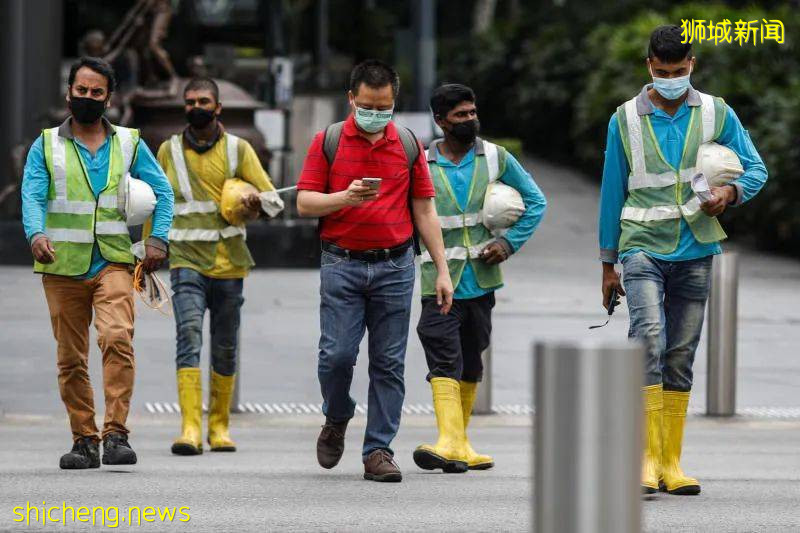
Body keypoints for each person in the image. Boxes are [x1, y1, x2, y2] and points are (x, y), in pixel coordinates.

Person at [598, 26, 767, 495]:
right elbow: (613, 192)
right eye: (660, 71)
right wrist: (607, 264)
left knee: (680, 356)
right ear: (648, 66)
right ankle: (644, 460)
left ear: (691, 65)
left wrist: (729, 193)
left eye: (678, 71)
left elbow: (756, 169)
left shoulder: (717, 112)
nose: (669, 79)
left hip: (696, 248)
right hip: (641, 246)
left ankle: (670, 464)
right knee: (648, 339)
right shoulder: (624, 119)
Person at [296, 59, 453, 482]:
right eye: (367, 105)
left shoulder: (407, 144)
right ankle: (337, 413)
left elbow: (424, 208)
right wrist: (344, 198)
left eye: (384, 107)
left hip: (396, 265)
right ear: (351, 99)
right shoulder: (327, 141)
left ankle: (378, 450)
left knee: (388, 363)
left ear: (394, 102)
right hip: (341, 263)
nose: (375, 114)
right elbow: (306, 202)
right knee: (336, 356)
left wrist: (441, 269)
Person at [20, 57, 174, 469]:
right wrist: (36, 234)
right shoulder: (47, 144)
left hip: (113, 262)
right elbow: (32, 195)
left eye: (96, 92)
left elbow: (163, 191)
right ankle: (84, 439)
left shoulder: (128, 143)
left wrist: (157, 238)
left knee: (117, 338)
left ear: (109, 97)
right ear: (69, 92)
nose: (87, 98)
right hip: (61, 264)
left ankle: (116, 434)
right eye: (81, 90)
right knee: (70, 358)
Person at [413, 84, 547, 473]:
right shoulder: (420, 163)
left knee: (472, 360)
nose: (470, 120)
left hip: (482, 281)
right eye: (460, 115)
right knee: (442, 352)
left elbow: (536, 201)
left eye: (472, 112)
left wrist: (508, 244)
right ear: (440, 121)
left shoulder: (495, 158)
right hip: (438, 281)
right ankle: (448, 441)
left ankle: (460, 444)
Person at [152, 77, 277, 456]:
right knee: (188, 336)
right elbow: (157, 203)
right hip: (185, 261)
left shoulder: (240, 150)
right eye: (190, 101)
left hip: (229, 265)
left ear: (218, 107)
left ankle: (219, 427)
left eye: (204, 100)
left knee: (224, 346)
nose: (196, 107)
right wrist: (150, 248)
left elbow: (274, 200)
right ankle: (190, 427)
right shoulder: (168, 152)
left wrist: (256, 201)